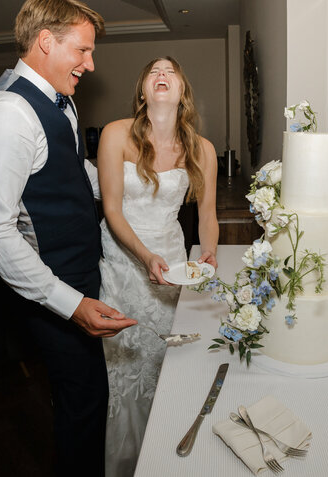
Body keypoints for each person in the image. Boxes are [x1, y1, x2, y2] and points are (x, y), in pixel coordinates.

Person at [0, 0, 137, 476]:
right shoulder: (6, 115)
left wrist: (133, 183)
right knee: (83, 404)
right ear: (45, 41)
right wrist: (71, 304)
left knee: (86, 397)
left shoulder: (61, 100)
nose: (91, 64)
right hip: (53, 289)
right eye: (83, 50)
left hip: (80, 273)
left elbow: (67, 171)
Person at [97, 56, 219, 476]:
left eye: (170, 71)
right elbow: (112, 210)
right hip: (124, 261)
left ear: (182, 90)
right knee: (129, 368)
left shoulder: (203, 149)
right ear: (143, 91)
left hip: (172, 261)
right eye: (154, 71)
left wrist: (208, 252)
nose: (162, 75)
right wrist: (144, 256)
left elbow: (208, 216)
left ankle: (173, 458)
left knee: (172, 360)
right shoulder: (115, 134)